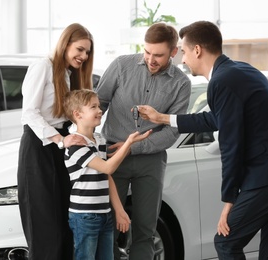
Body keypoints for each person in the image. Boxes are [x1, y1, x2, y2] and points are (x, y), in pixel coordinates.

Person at [138, 20, 268, 259]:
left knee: (226, 242)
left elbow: (231, 145)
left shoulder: (222, 81)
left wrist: (229, 200)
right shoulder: (241, 69)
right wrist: (164, 118)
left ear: (197, 50)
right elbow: (217, 119)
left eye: (185, 52)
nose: (184, 60)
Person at [95, 22, 191, 260]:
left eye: (158, 55)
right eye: (147, 52)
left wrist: (132, 146)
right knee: (106, 225)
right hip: (112, 158)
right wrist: (88, 140)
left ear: (173, 52)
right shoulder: (121, 66)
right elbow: (98, 104)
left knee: (145, 230)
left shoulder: (181, 84)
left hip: (151, 161)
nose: (150, 59)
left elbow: (172, 131)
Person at [17, 23, 94, 260]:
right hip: (39, 148)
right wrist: (60, 139)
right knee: (45, 225)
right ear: (66, 43)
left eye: (87, 53)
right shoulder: (43, 67)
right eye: (80, 49)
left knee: (64, 222)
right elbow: (29, 113)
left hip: (61, 148)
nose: (83, 56)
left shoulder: (70, 75)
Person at [63, 89, 152, 260]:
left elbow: (106, 177)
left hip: (104, 214)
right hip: (84, 216)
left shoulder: (99, 140)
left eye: (99, 106)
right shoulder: (75, 145)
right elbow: (107, 168)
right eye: (93, 107)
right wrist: (129, 143)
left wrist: (119, 211)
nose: (100, 110)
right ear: (78, 114)